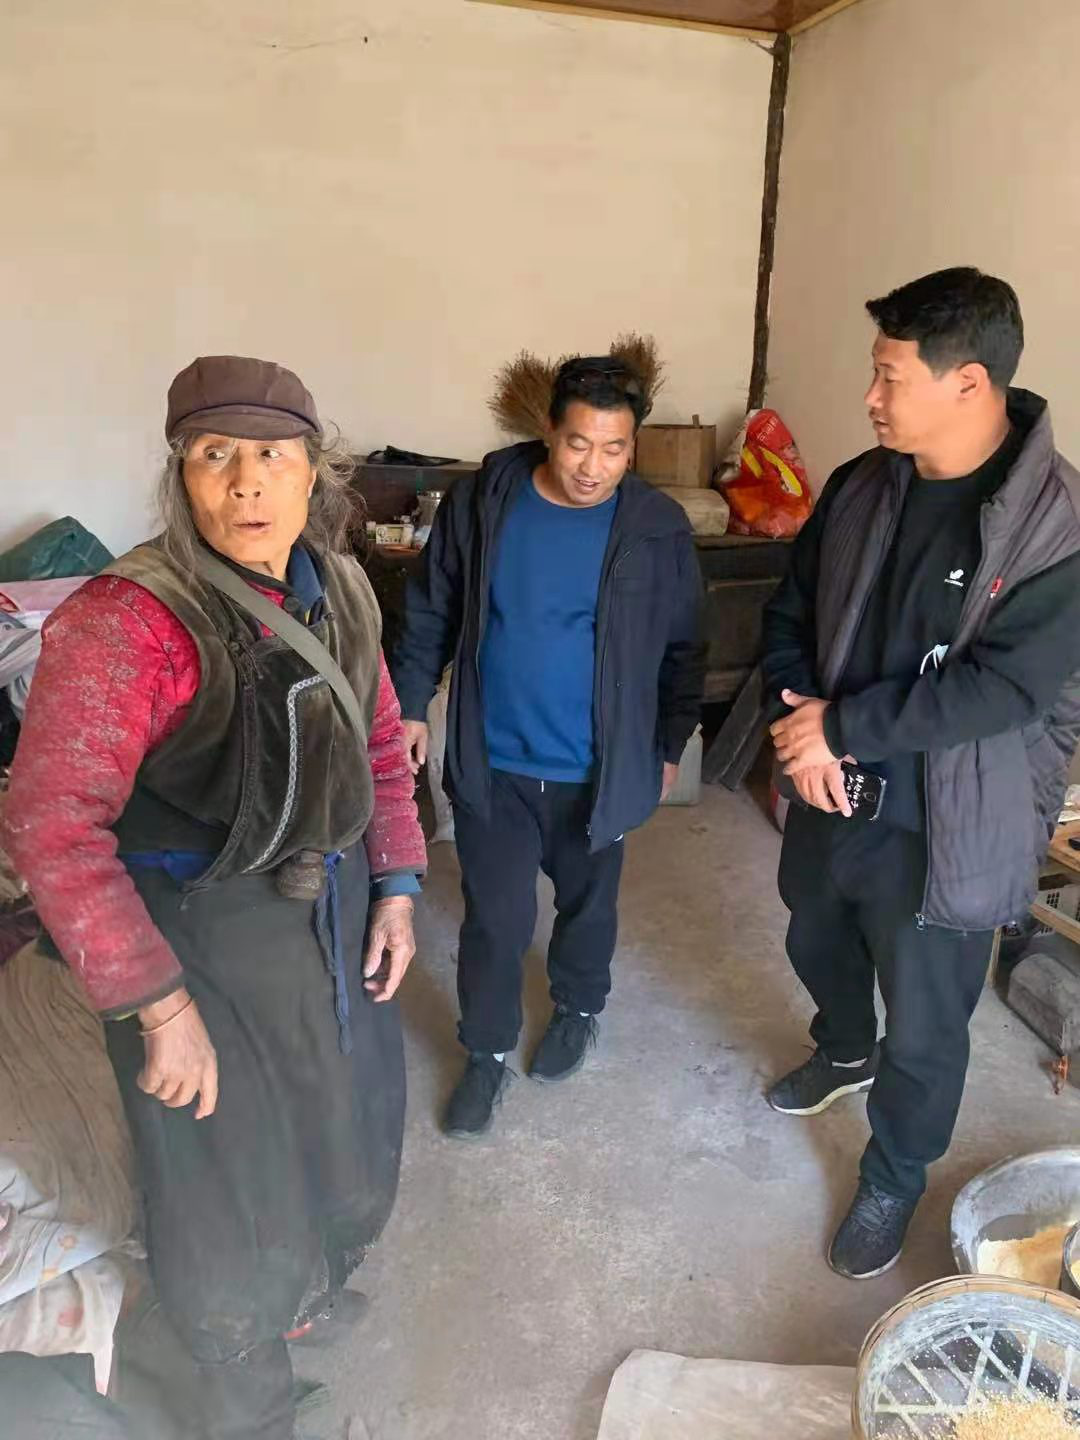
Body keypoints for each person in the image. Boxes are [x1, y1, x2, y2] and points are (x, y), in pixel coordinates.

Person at [3, 355, 427, 1439]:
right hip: (195, 941)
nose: (247, 482)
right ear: (180, 472)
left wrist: (397, 884)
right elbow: (51, 827)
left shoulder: (343, 587)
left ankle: (304, 1299)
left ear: (314, 470)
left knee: (342, 1123)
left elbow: (381, 745)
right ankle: (248, 1407)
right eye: (215, 454)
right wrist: (157, 1007)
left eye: (273, 454)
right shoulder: (130, 620)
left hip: (329, 917)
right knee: (226, 1191)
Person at [762, 268, 1080, 1280]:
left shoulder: (1056, 526)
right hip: (833, 788)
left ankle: (895, 1172)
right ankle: (841, 1045)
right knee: (813, 929)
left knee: (929, 1022)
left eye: (889, 376)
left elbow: (1005, 689)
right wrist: (798, 730)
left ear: (969, 382)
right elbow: (791, 609)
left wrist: (842, 727)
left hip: (951, 823)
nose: (870, 396)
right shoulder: (865, 484)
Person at [392, 356, 704, 1139]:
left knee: (588, 905)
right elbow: (429, 606)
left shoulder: (656, 527)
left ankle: (578, 1007)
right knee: (494, 920)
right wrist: (409, 704)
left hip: (599, 768)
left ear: (633, 447)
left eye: (614, 449)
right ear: (548, 432)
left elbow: (685, 646)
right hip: (494, 761)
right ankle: (485, 1051)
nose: (593, 466)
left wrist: (669, 743)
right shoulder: (485, 501)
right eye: (577, 444)